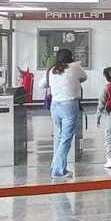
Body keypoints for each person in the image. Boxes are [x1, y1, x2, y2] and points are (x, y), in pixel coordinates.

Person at [38, 49, 87, 179]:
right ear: (71, 57)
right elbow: (84, 77)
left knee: (60, 137)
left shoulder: (52, 70)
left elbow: (41, 85)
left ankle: (58, 167)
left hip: (55, 105)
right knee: (66, 139)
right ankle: (58, 171)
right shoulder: (75, 67)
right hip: (69, 105)